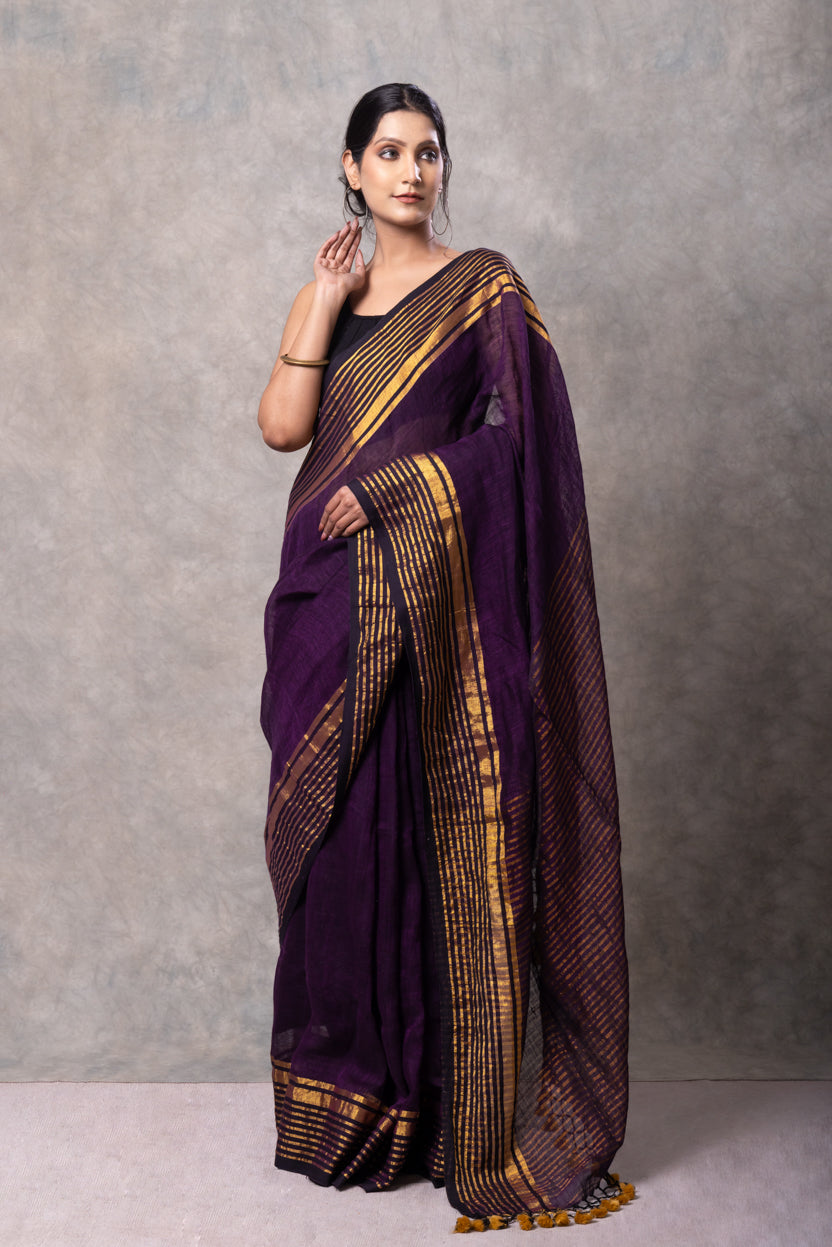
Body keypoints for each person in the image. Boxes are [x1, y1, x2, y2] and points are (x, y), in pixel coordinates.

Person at [258, 84, 631, 1231]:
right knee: (335, 853)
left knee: (423, 845)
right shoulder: (334, 287)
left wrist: (396, 487)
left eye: (427, 151)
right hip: (327, 608)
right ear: (352, 170)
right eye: (388, 152)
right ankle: (347, 1110)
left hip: (441, 614)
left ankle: (436, 1116)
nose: (412, 170)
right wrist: (321, 301)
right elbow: (281, 427)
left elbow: (518, 447)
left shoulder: (484, 294)